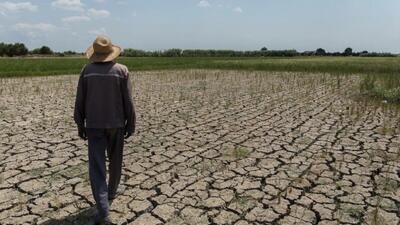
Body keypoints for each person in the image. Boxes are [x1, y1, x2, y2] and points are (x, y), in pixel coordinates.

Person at [74, 35, 136, 224]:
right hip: (116, 124)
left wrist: (80, 123)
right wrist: (131, 122)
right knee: (115, 161)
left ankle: (103, 210)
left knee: (97, 168)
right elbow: (128, 100)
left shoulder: (86, 71)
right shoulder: (121, 70)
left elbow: (80, 100)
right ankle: (111, 193)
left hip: (93, 125)